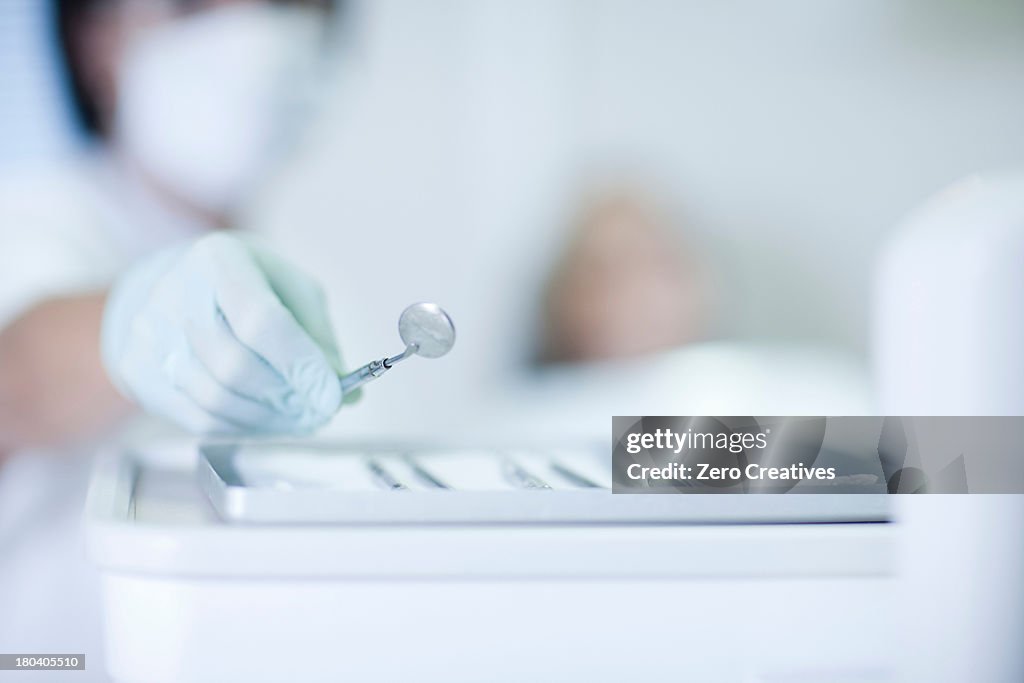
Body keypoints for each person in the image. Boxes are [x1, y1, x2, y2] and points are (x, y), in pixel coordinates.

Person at [0, 1, 341, 677]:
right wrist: (126, 326)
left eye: (282, 5)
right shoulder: (32, 217)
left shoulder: (320, 280)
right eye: (193, 6)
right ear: (98, 43)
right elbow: (17, 376)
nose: (253, 37)